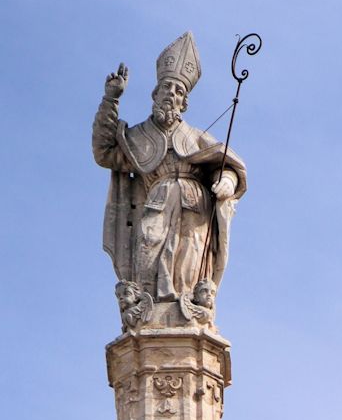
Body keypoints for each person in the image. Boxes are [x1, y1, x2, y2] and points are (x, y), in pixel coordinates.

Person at [92, 31, 246, 317]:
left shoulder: (196, 137)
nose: (172, 95)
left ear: (184, 103)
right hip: (156, 203)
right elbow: (104, 152)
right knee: (148, 251)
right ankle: (148, 309)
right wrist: (111, 100)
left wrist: (226, 180)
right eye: (167, 88)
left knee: (188, 261)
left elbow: (227, 164)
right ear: (155, 93)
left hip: (194, 211)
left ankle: (187, 308)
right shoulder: (138, 136)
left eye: (178, 91)